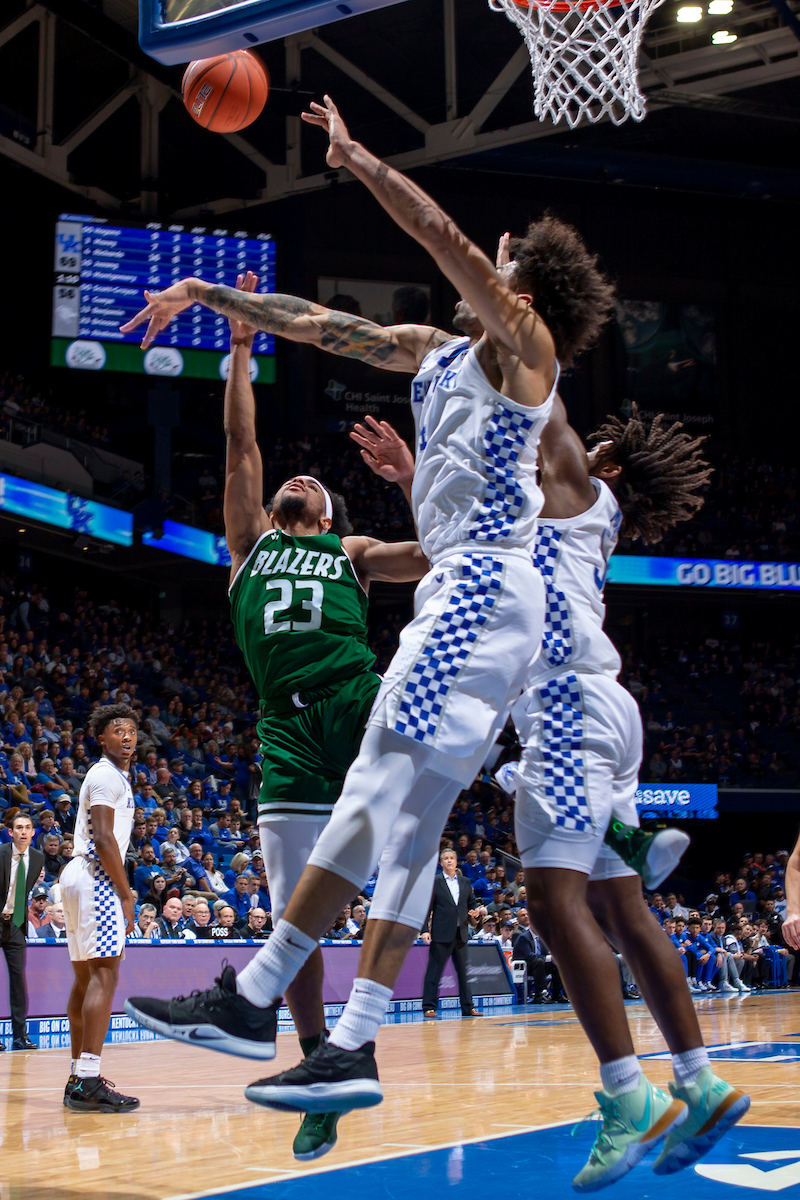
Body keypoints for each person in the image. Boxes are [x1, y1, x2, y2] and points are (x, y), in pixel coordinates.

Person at [123, 94, 597, 1121]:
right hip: (469, 590)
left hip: (478, 587)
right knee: (404, 815)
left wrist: (356, 157)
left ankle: (251, 999)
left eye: (504, 260)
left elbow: (438, 232)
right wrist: (215, 295)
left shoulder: (523, 347)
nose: (488, 261)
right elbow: (324, 327)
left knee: (380, 777)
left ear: (522, 291)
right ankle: (346, 1046)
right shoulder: (434, 350)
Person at [125, 266, 427, 1161]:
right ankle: (314, 1071)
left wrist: (411, 476)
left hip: (353, 703)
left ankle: (359, 1031)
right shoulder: (248, 545)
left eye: (314, 482)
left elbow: (440, 551)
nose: (295, 478)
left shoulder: (352, 550)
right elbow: (239, 451)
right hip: (284, 733)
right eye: (286, 479)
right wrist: (243, 349)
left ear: (328, 512)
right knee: (292, 916)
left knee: (409, 849)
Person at [483, 347, 747, 1182]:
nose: (574, 443)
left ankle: (627, 1094)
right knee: (624, 913)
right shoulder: (574, 513)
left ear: (610, 467)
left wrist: (519, 305)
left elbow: (539, 390)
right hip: (598, 711)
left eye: (591, 444)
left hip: (565, 710)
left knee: (555, 910)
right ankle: (700, 1084)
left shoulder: (574, 482)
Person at [59, 704, 140, 1113]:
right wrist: (126, 895)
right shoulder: (106, 775)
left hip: (76, 877)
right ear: (101, 738)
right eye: (117, 730)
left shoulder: (111, 775)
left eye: (131, 730)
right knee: (105, 976)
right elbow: (105, 840)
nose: (126, 736)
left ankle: (77, 1076)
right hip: (96, 876)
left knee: (86, 978)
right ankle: (89, 1079)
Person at [421, 849, 483, 1019]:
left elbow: (471, 903)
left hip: (461, 932)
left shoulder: (465, 881)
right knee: (434, 971)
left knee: (464, 973)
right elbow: (427, 908)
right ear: (441, 863)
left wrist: (475, 911)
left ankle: (468, 1007)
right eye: (445, 858)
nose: (449, 861)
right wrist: (425, 930)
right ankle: (429, 1007)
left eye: (451, 858)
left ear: (456, 862)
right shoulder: (435, 882)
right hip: (441, 933)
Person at [0, 812, 43, 1049]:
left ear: (33, 832)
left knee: (18, 980)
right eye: (19, 828)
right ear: (11, 832)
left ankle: (19, 1036)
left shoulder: (37, 858)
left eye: (27, 827)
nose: (23, 832)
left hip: (16, 924)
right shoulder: (1, 854)